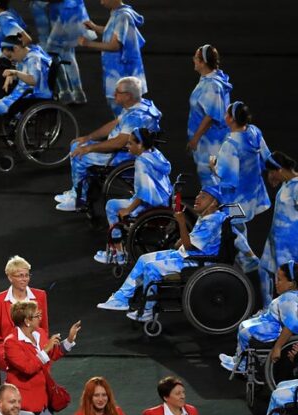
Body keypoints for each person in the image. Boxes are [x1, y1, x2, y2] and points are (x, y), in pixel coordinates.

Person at [97, 187, 229, 322]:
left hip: (196, 261)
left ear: (214, 203)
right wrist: (182, 239)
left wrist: (182, 223)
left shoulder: (212, 221)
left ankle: (148, 310)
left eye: (203, 196)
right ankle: (121, 298)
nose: (197, 198)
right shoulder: (208, 216)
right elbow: (189, 242)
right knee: (143, 259)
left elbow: (189, 245)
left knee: (151, 267)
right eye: (198, 194)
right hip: (186, 254)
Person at [54, 76, 161, 212]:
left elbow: (119, 143)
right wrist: (88, 138)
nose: (114, 94)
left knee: (78, 154)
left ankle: (79, 199)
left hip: (124, 155)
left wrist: (89, 148)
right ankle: (78, 192)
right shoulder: (141, 105)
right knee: (78, 146)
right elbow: (114, 124)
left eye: (118, 92)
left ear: (128, 95)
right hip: (126, 149)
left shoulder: (136, 117)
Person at [2, 301, 80, 415]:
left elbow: (51, 356)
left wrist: (68, 341)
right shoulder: (11, 343)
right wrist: (45, 349)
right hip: (25, 404)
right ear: (27, 320)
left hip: (44, 401)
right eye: (37, 315)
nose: (41, 317)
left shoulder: (40, 333)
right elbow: (28, 367)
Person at [95, 128, 172, 266]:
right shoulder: (155, 154)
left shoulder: (141, 162)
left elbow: (144, 193)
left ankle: (118, 254)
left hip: (151, 206)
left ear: (140, 145)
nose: (127, 146)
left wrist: (128, 209)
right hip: (164, 200)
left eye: (130, 143)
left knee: (111, 206)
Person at [212, 101, 271, 273]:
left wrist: (213, 166)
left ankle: (249, 258)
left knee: (227, 224)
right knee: (238, 225)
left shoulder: (231, 144)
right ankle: (241, 263)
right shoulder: (254, 132)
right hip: (252, 193)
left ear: (230, 119)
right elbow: (266, 157)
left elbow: (227, 176)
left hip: (236, 197)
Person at [219, 262, 298, 374]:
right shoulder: (288, 296)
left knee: (245, 332)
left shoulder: (289, 299)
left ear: (292, 284)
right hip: (271, 322)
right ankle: (237, 359)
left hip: (276, 330)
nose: (276, 283)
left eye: (279, 280)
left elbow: (292, 325)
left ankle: (241, 365)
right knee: (243, 325)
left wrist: (278, 347)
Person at [78, 0, 146, 115]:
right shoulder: (118, 12)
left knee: (122, 112)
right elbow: (113, 31)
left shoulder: (122, 16)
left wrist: (87, 44)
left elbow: (114, 46)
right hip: (118, 71)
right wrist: (95, 27)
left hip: (121, 73)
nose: (101, 2)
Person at [0, 255, 48, 383]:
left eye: (27, 275)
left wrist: (46, 362)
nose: (24, 279)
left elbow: (44, 329)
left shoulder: (40, 296)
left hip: (35, 359)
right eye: (20, 275)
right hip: (8, 362)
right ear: (10, 277)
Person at [187, 45, 232, 187]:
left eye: (195, 58)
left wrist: (195, 138)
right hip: (205, 144)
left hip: (212, 146)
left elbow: (211, 115)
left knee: (213, 185)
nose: (193, 60)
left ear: (203, 62)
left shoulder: (213, 85)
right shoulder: (207, 80)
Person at [261, 153, 298, 304]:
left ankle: (287, 315)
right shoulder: (287, 184)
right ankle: (268, 309)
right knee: (263, 271)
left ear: (280, 170)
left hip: (289, 245)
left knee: (285, 279)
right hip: (274, 242)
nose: (270, 176)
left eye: (272, 172)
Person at [44, 0, 91, 105]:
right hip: (60, 9)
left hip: (68, 9)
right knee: (65, 51)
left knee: (55, 50)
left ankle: (70, 91)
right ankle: (72, 92)